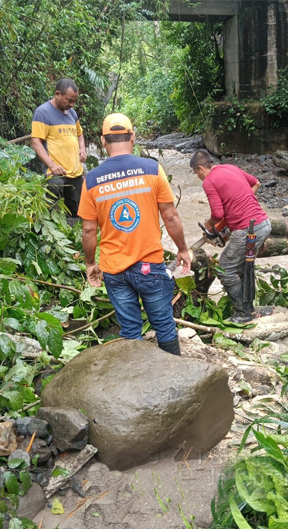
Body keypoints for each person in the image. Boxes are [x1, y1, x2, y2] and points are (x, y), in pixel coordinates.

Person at [79, 113, 191, 356]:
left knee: (130, 330)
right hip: (149, 265)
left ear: (102, 141)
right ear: (132, 137)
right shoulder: (152, 168)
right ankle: (174, 381)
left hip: (114, 269)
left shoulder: (92, 179)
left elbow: (88, 229)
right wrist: (182, 249)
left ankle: (136, 385)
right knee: (163, 325)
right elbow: (170, 216)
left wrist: (90, 263)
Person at [190, 149, 272, 324]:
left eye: (196, 173)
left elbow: (218, 214)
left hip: (248, 229)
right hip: (263, 224)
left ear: (200, 168)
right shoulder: (230, 168)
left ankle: (243, 313)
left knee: (225, 268)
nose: (198, 177)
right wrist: (239, 206)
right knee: (243, 269)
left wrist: (208, 225)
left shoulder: (209, 181)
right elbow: (256, 183)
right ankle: (250, 310)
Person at [30, 79, 87, 218]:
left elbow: (80, 134)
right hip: (56, 171)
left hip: (75, 171)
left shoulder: (72, 113)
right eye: (69, 100)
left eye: (74, 101)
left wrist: (82, 149)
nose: (72, 104)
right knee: (52, 204)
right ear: (57, 94)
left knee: (78, 211)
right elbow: (35, 142)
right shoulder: (42, 113)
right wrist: (52, 165)